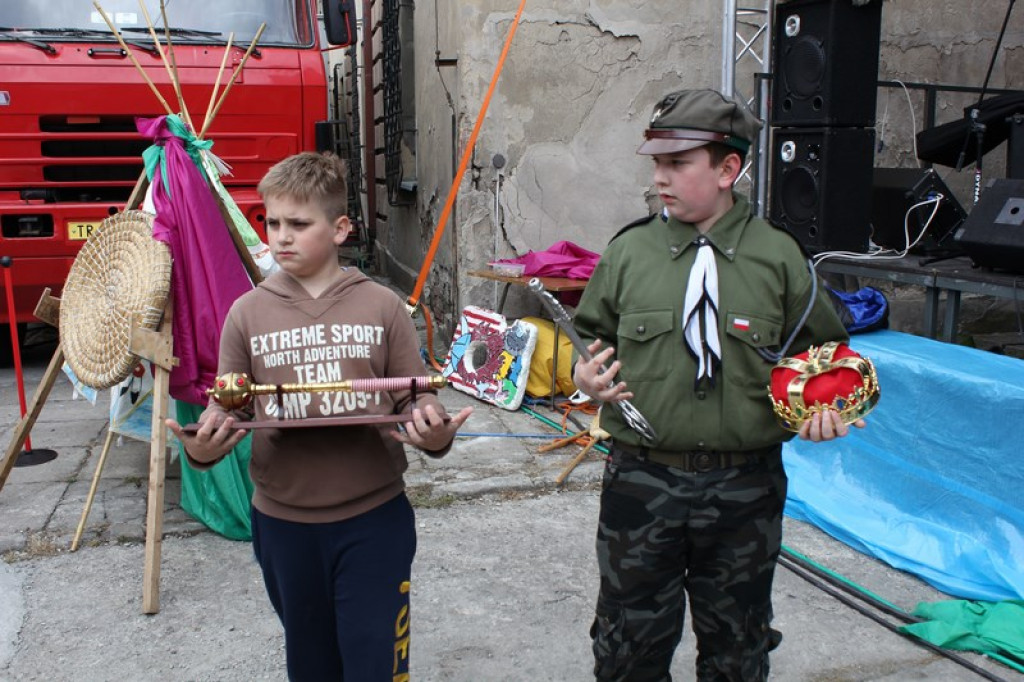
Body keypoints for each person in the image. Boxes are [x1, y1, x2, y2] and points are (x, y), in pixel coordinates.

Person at [571, 89, 867, 681]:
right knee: (628, 645)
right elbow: (589, 341)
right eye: (656, 164)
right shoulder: (628, 255)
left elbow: (831, 359)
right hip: (641, 481)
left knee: (738, 647)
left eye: (678, 164)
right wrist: (585, 379)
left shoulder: (779, 260)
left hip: (745, 489)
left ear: (728, 168)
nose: (660, 178)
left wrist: (828, 409)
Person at [166, 151, 472, 681]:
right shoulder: (247, 312)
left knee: (376, 662)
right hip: (284, 526)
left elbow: (414, 395)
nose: (281, 236)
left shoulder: (381, 306)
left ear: (340, 228)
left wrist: (431, 427)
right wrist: (201, 446)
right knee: (310, 663)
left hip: (374, 521)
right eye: (273, 222)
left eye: (299, 224)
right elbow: (227, 402)